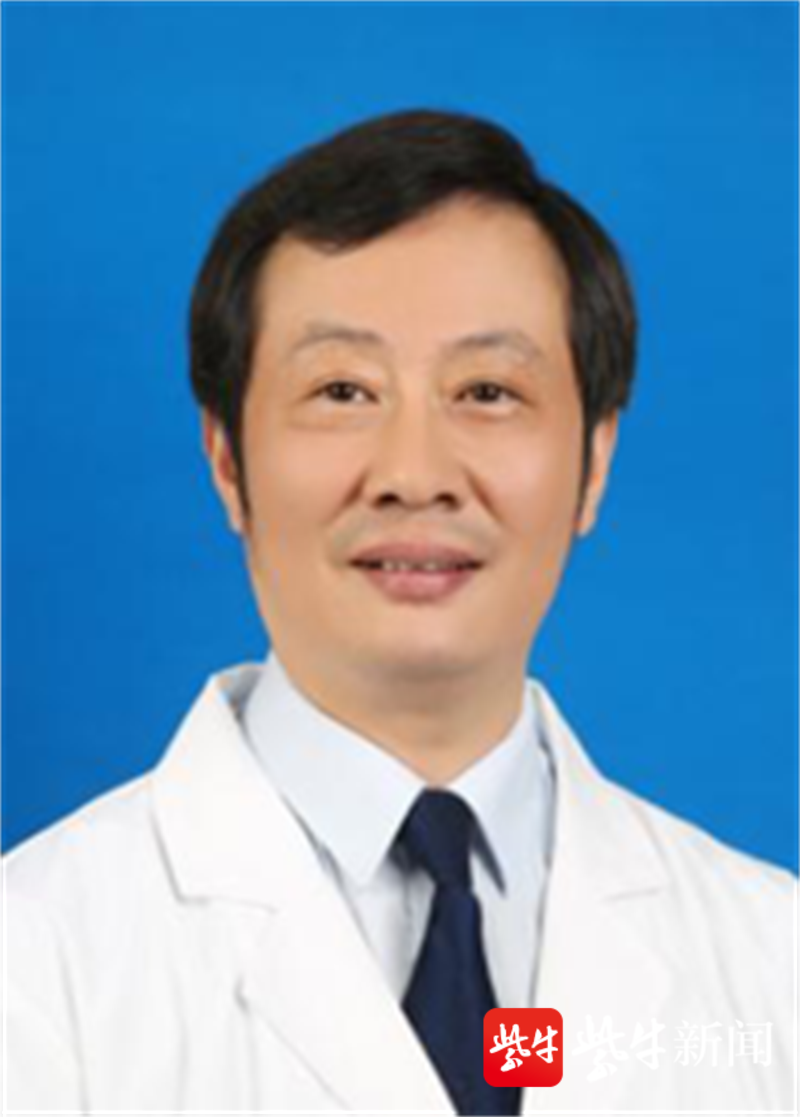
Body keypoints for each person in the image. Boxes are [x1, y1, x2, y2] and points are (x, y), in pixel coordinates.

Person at [4, 109, 794, 1114]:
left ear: (594, 461)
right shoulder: (34, 962)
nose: (415, 474)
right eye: (342, 390)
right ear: (227, 460)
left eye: (488, 391)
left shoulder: (773, 966)